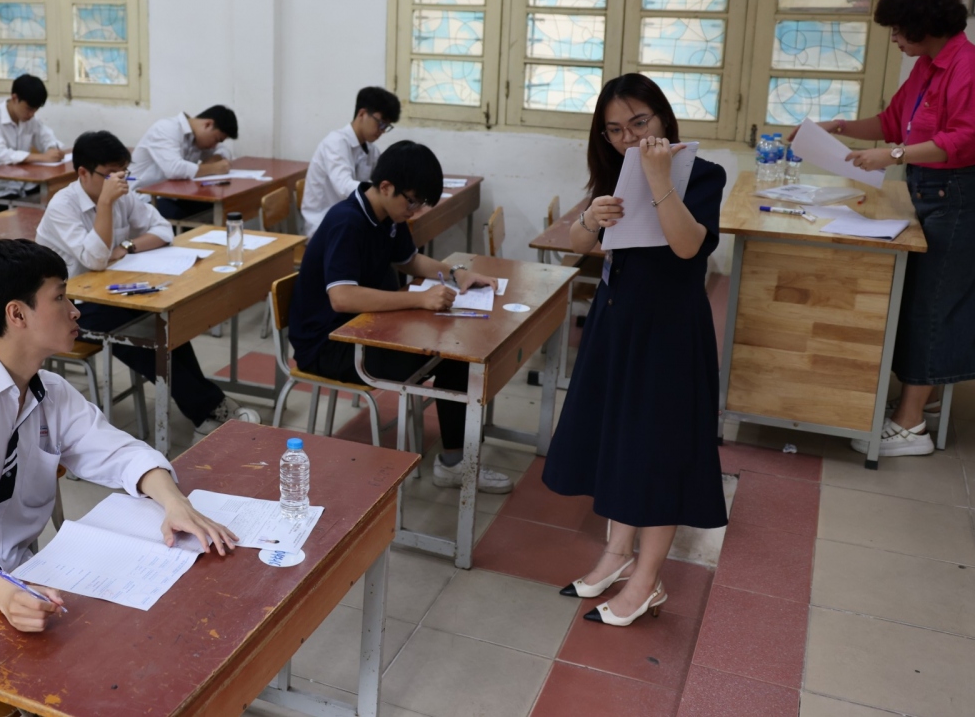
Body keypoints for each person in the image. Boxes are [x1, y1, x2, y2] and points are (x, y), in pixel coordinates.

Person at [0, 237, 236, 645]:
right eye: (59, 298)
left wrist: (175, 504)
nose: (75, 310)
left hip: (21, 575)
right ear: (17, 314)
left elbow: (123, 454)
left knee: (144, 616)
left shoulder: (49, 390)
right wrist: (4, 592)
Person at [789, 0, 975, 458]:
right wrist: (837, 127)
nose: (893, 39)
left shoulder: (971, 66)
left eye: (897, 29)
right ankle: (917, 400)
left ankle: (911, 427)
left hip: (965, 196)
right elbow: (892, 122)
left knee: (938, 305)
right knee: (920, 299)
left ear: (923, 23)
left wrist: (891, 156)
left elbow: (962, 140)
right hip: (934, 190)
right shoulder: (928, 66)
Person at [542, 73, 727, 628]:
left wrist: (659, 179)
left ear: (663, 117)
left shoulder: (702, 174)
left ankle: (647, 581)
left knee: (657, 452)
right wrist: (590, 219)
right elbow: (577, 243)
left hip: (669, 332)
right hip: (616, 322)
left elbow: (688, 247)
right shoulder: (616, 172)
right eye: (615, 129)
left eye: (639, 123)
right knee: (621, 442)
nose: (629, 137)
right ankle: (617, 554)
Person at [287, 140, 511, 492]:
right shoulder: (348, 221)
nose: (415, 211)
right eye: (412, 201)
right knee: (453, 355)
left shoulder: (387, 215)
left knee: (458, 349)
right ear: (386, 186)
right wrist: (418, 301)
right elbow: (342, 298)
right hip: (330, 345)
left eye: (420, 204)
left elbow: (409, 260)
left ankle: (455, 459)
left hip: (367, 330)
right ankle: (455, 464)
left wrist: (458, 274)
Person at [35, 131, 261, 436]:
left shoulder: (122, 195)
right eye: (110, 174)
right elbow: (95, 259)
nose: (119, 181)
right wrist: (105, 204)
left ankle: (207, 409)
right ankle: (209, 407)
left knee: (165, 324)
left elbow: (163, 229)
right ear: (83, 173)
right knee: (138, 336)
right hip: (69, 306)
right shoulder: (63, 206)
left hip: (110, 293)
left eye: (123, 173)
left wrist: (127, 246)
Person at [302, 87, 401, 235]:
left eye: (386, 126)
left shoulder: (371, 149)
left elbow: (382, 178)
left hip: (349, 220)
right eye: (381, 123)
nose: (382, 131)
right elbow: (344, 187)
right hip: (323, 226)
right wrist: (383, 194)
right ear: (362, 114)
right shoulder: (335, 143)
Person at [0, 74, 62, 211]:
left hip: (23, 185)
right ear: (14, 98)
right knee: (37, 212)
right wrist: (42, 157)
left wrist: (52, 149)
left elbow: (46, 138)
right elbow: (0, 154)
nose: (32, 114)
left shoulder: (30, 120)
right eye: (29, 108)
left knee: (58, 201)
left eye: (35, 110)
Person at [129, 106, 238, 221]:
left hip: (171, 195)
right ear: (207, 124)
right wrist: (213, 168)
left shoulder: (197, 138)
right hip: (143, 198)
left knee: (215, 204)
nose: (214, 146)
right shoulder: (167, 128)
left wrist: (217, 158)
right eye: (216, 139)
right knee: (181, 213)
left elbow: (224, 150)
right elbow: (174, 169)